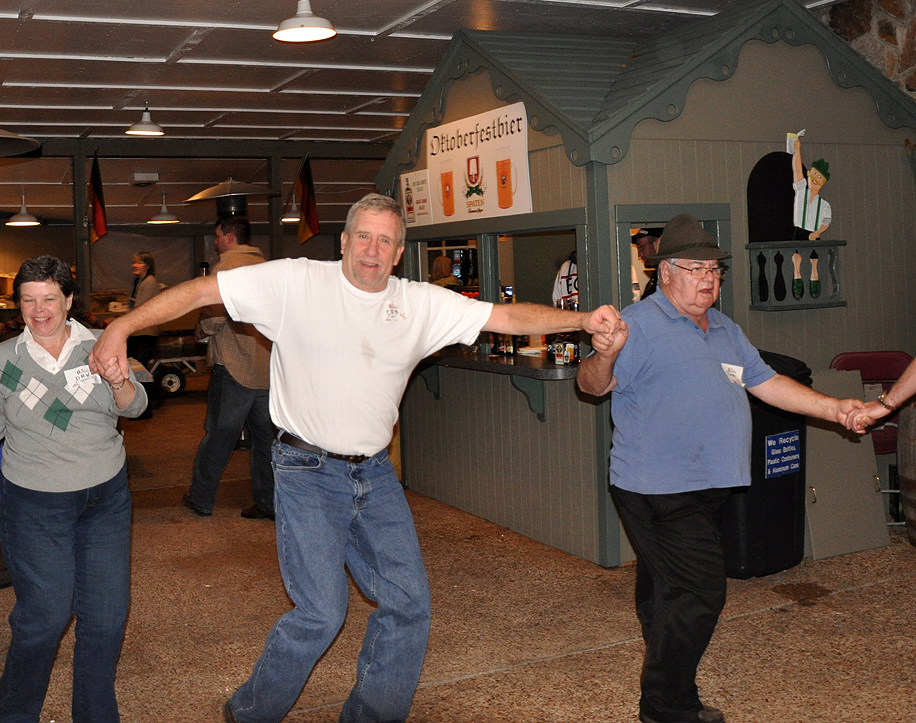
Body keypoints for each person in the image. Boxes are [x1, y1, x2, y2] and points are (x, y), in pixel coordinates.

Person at [90, 193, 621, 723]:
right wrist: (122, 327)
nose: (371, 249)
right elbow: (202, 289)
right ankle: (249, 712)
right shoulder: (296, 282)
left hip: (374, 474)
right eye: (362, 236)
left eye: (384, 240)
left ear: (397, 254)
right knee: (322, 613)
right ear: (343, 242)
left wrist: (582, 322)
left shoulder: (420, 303)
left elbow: (504, 316)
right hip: (306, 470)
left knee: (409, 605)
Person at [576, 213, 866, 723]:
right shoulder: (636, 324)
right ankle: (667, 704)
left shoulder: (725, 328)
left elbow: (766, 382)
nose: (709, 278)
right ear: (665, 271)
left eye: (715, 269)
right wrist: (603, 354)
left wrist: (835, 409)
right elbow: (592, 386)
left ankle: (664, 661)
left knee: (667, 584)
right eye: (695, 267)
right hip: (657, 486)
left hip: (707, 484)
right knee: (701, 589)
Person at [0, 255, 147, 723]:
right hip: (35, 502)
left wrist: (119, 383)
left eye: (49, 298)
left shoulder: (100, 345)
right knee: (45, 615)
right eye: (28, 300)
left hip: (105, 498)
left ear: (69, 300)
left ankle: (95, 715)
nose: (39, 309)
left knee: (107, 617)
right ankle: (10, 713)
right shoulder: (5, 359)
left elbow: (135, 407)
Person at [183, 217, 276, 520]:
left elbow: (216, 315)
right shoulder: (266, 265)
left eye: (218, 236)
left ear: (231, 237)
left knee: (220, 435)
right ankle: (268, 502)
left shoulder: (226, 268)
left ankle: (201, 498)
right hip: (266, 367)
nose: (215, 242)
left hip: (234, 366)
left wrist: (199, 331)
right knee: (266, 440)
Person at [127, 250, 161, 369]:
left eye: (139, 263)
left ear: (147, 265)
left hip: (145, 333)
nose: (135, 265)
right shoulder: (137, 281)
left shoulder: (150, 282)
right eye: (134, 262)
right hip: (136, 332)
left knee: (139, 367)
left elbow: (140, 308)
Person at [631, 227, 662, 301]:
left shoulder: (668, 280)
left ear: (657, 244)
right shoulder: (656, 277)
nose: (639, 255)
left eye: (641, 248)